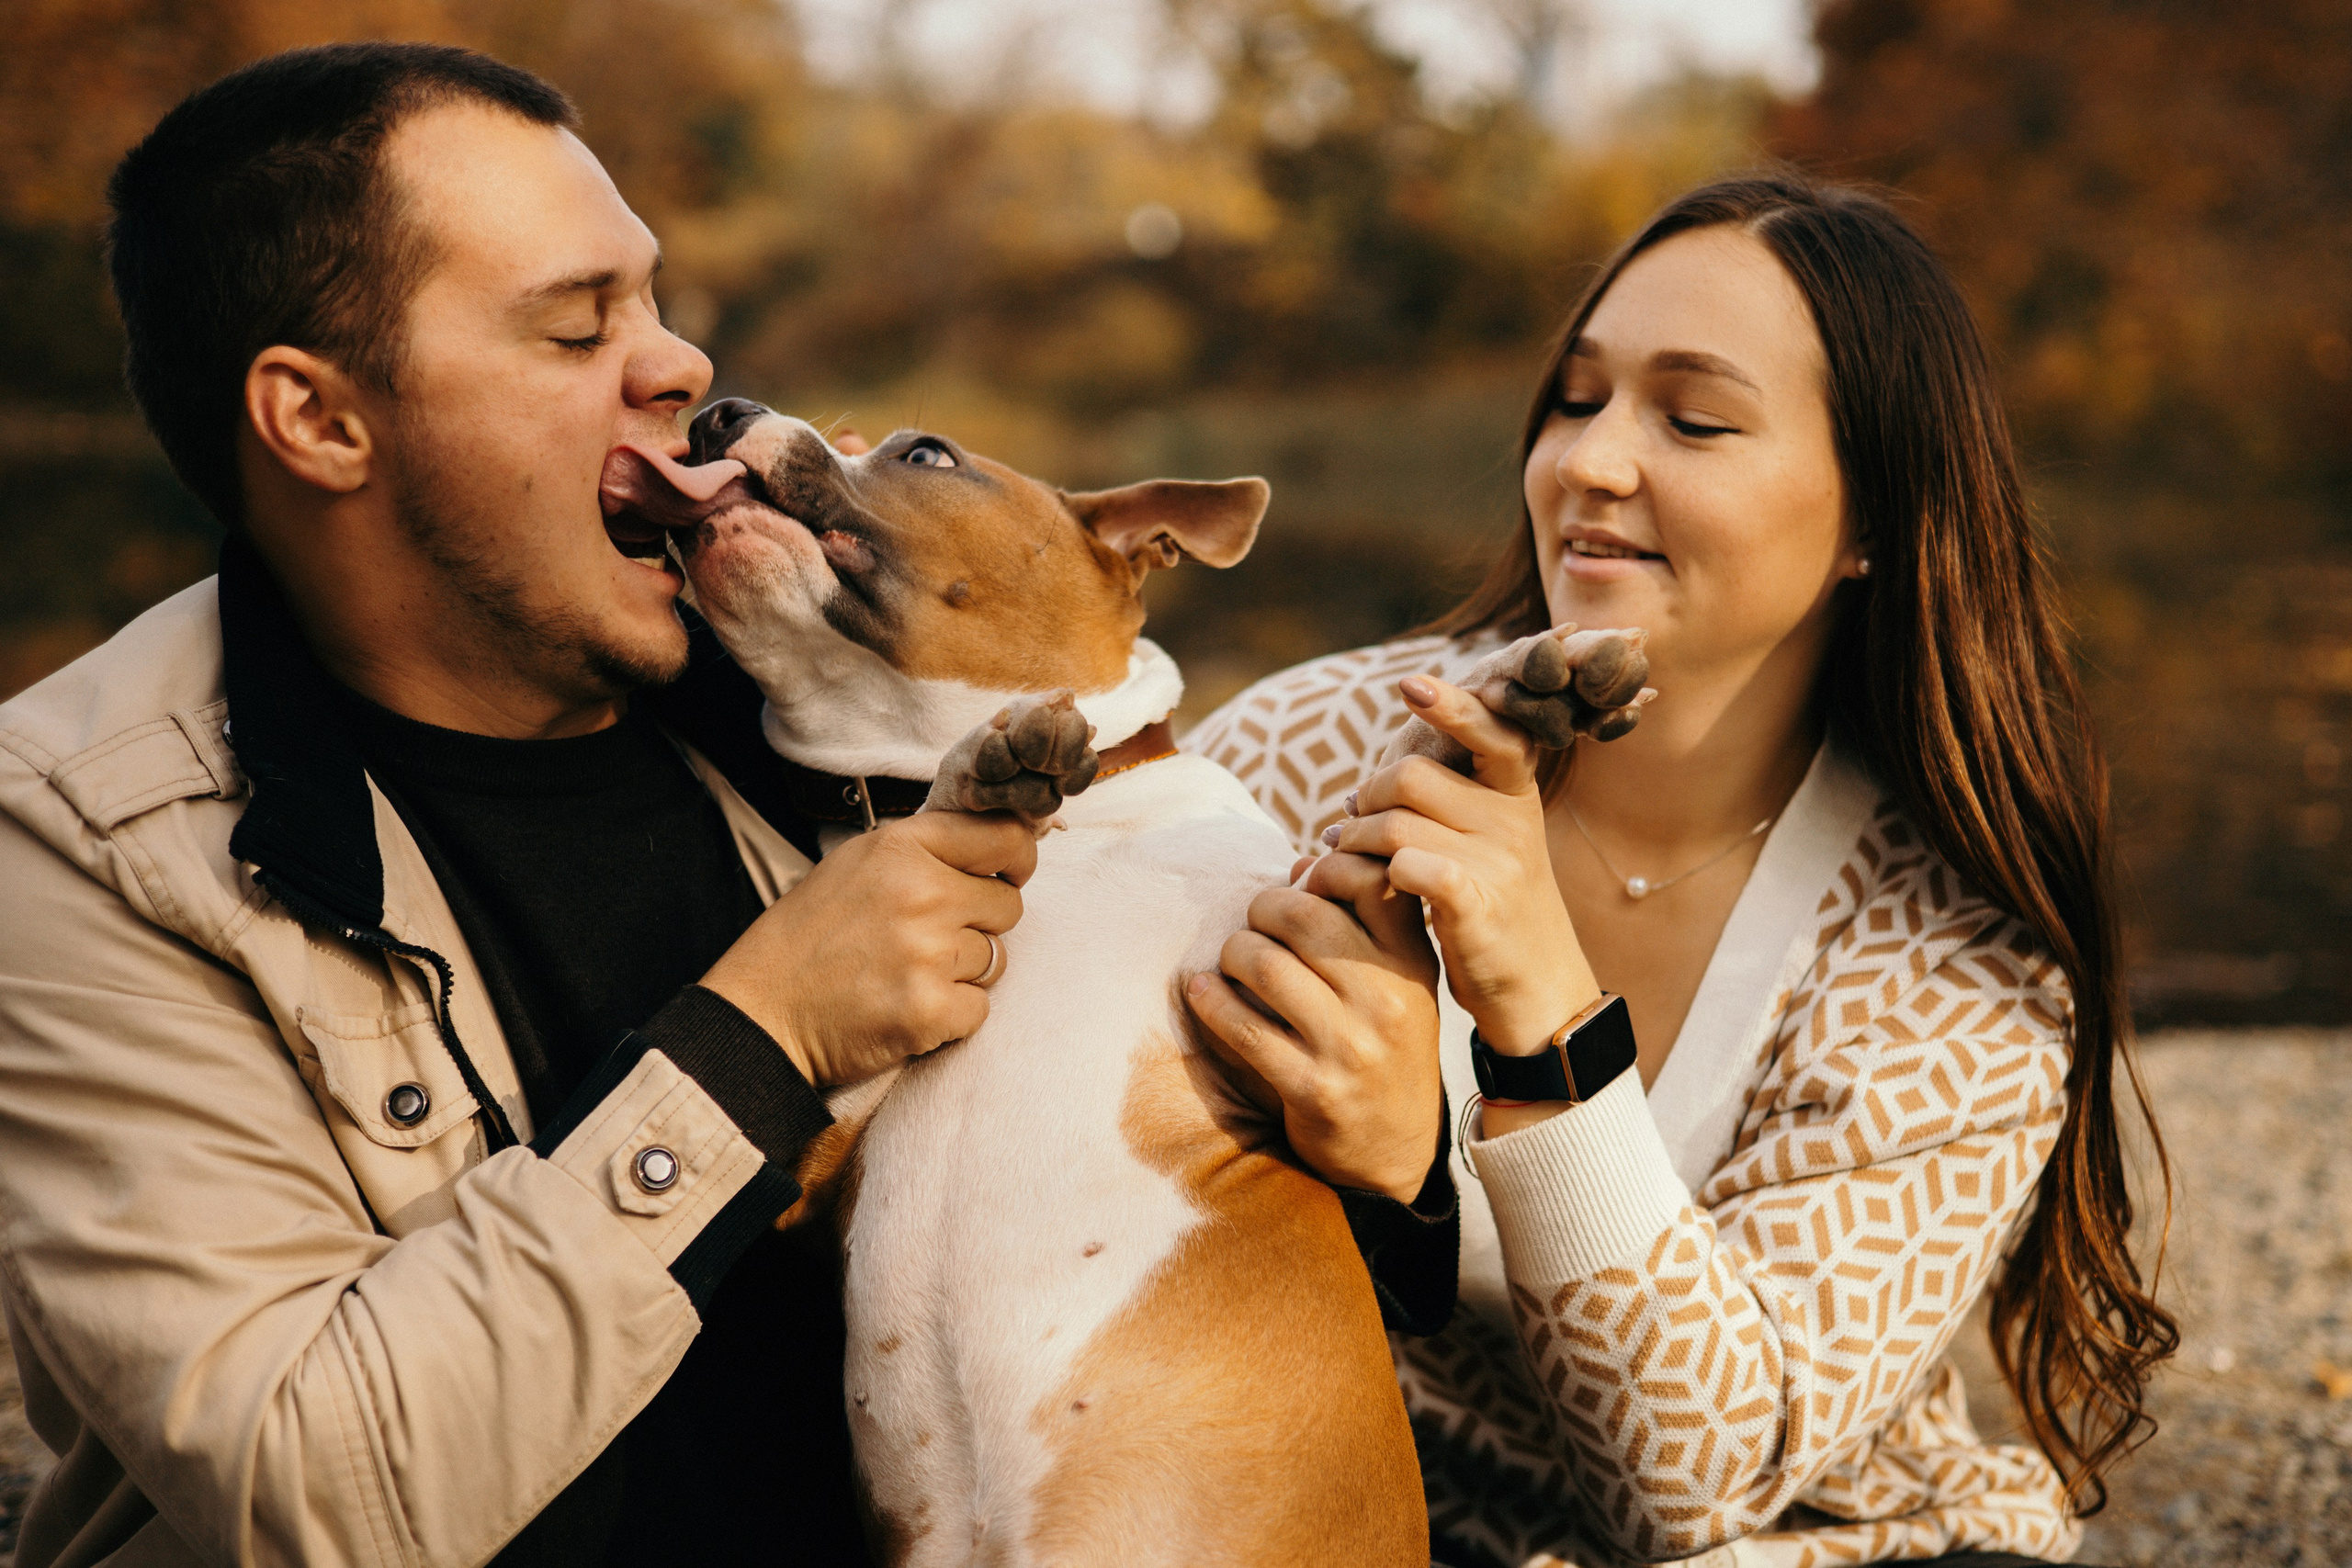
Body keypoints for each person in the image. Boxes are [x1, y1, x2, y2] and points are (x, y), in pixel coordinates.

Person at [0, 42, 1453, 1568]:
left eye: (651, 299)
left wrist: (1403, 1159)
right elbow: (319, 1487)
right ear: (319, 423)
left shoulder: (817, 692)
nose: (679, 365)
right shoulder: (83, 839)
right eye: (577, 328)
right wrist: (758, 1045)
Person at [1185, 173, 2178, 1568]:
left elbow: (1689, 1494)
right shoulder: (1310, 747)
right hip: (1337, 1512)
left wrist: (1534, 1036)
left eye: (1694, 418)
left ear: (1876, 519)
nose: (1590, 461)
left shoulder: (1958, 962)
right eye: (1580, 399)